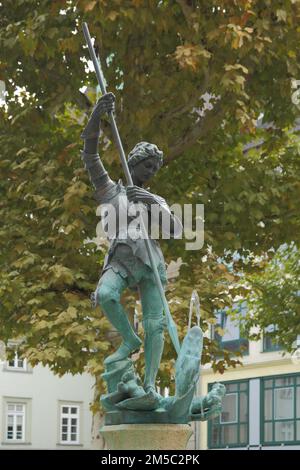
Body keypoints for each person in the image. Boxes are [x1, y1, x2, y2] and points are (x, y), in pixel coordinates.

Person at [81, 92, 182, 394]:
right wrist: (96, 115)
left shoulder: (155, 199)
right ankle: (129, 339)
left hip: (150, 264)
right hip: (121, 259)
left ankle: (150, 385)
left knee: (155, 325)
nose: (150, 172)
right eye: (147, 166)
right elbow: (89, 155)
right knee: (106, 294)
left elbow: (176, 231)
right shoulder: (111, 191)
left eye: (154, 169)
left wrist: (151, 202)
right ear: (134, 163)